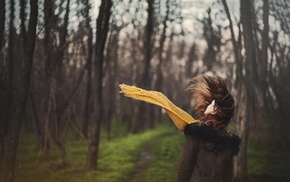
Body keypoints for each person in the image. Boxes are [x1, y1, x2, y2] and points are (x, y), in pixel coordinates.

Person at [176, 74, 240, 182]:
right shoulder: (228, 142)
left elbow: (185, 168)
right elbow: (227, 176)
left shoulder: (196, 134)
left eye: (210, 103)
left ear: (214, 108)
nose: (207, 105)